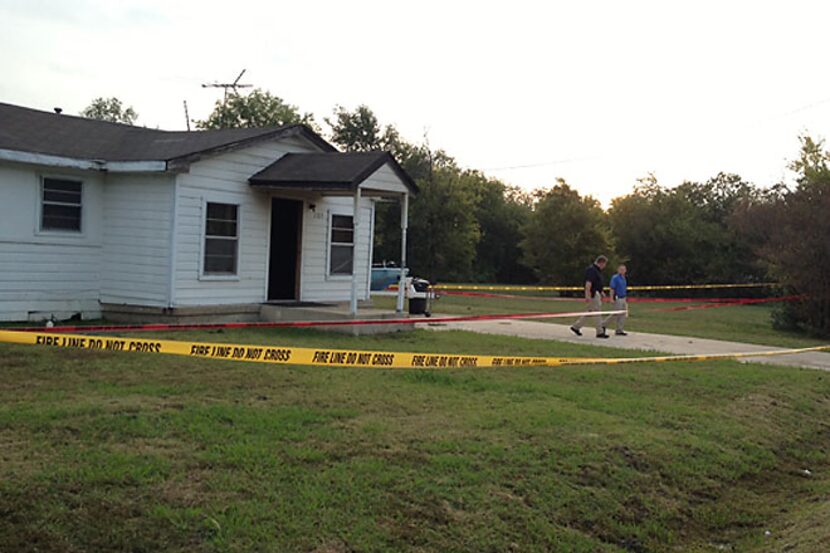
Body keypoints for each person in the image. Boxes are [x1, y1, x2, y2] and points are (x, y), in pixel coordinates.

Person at [570, 255, 610, 338]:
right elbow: (588, 283)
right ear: (601, 263)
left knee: (590, 312)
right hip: (593, 294)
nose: (604, 267)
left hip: (596, 293)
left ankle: (576, 326)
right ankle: (600, 332)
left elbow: (597, 283)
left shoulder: (597, 271)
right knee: (597, 312)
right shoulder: (592, 270)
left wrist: (601, 291)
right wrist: (587, 295)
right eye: (604, 264)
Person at [603, 264, 628, 336]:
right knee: (615, 314)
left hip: (623, 297)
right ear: (618, 270)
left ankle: (619, 329)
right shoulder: (615, 278)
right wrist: (611, 298)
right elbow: (612, 288)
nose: (622, 271)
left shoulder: (624, 278)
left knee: (623, 314)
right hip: (618, 297)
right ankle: (603, 324)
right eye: (621, 269)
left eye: (624, 269)